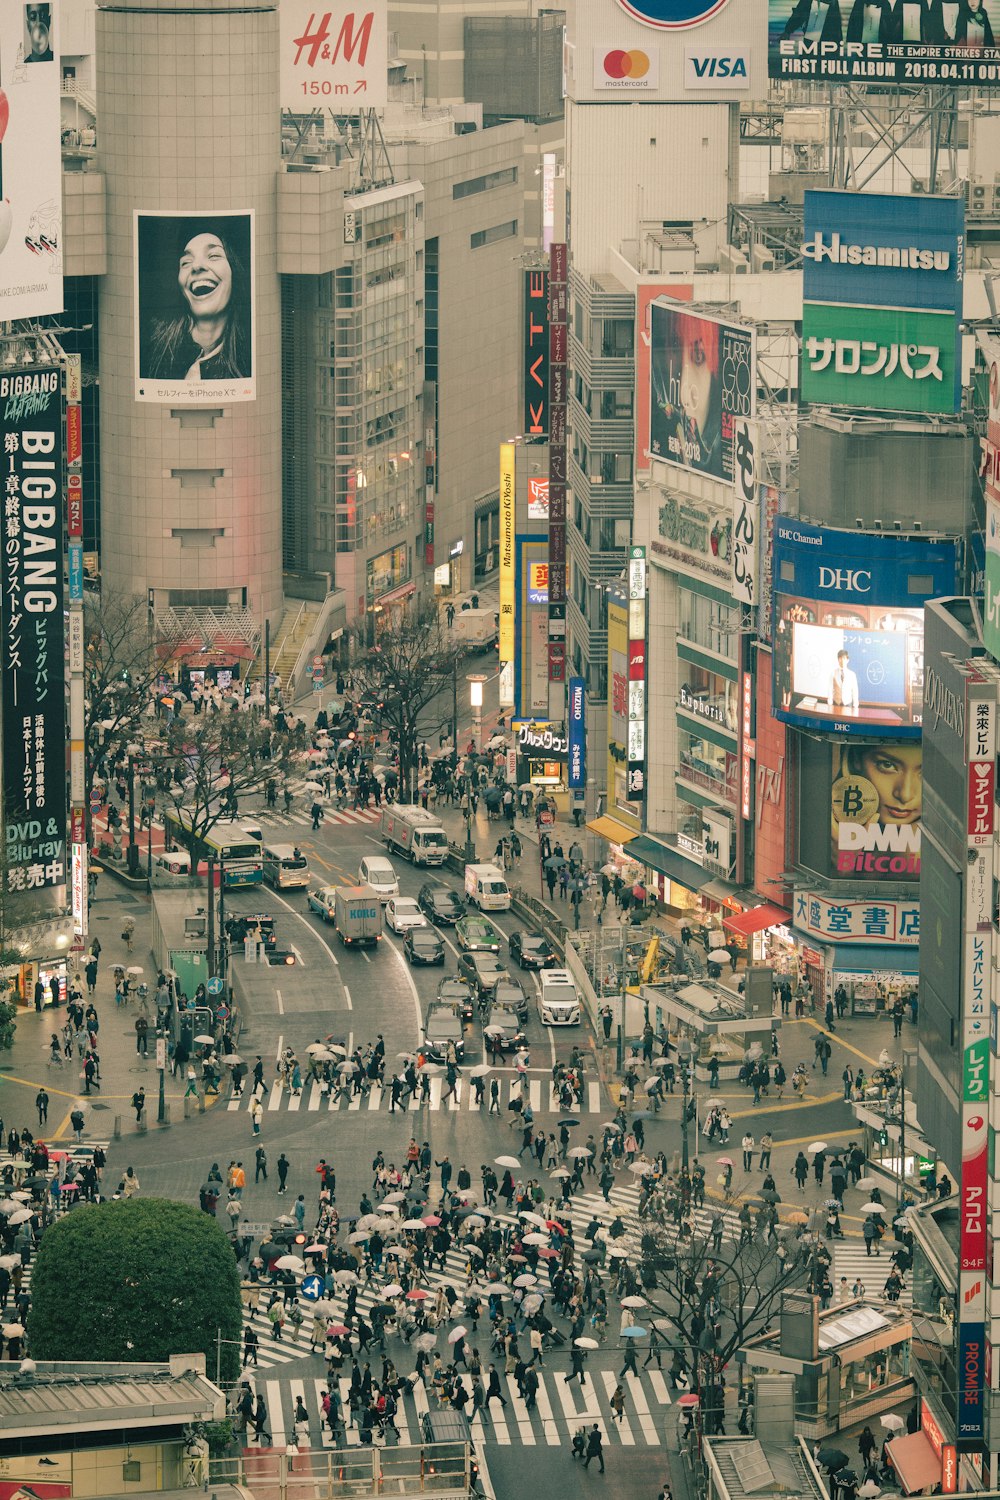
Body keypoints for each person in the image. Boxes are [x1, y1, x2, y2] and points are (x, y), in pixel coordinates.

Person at [143, 221, 253, 384]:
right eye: (186, 262)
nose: (197, 266)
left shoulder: (251, 352)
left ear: (234, 271)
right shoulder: (150, 342)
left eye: (214, 255)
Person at [829, 648, 859, 716]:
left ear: (848, 660)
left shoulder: (852, 674)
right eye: (840, 658)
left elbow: (855, 690)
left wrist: (855, 705)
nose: (842, 660)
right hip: (836, 703)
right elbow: (830, 688)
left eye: (844, 658)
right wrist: (829, 703)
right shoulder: (833, 673)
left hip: (848, 704)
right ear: (838, 660)